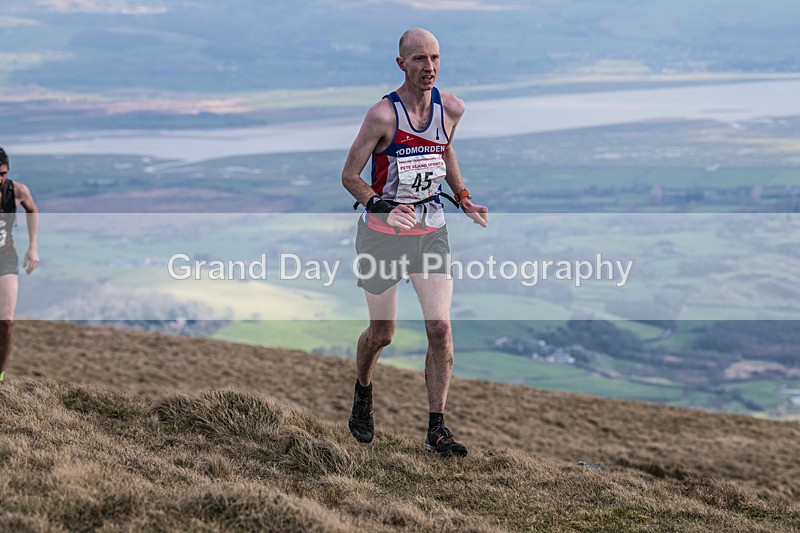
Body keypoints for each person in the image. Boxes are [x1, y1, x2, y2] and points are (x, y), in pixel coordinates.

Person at [341, 28, 489, 456]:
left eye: (435, 58)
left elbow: (444, 151)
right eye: (420, 59)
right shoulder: (382, 116)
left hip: (431, 231)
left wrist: (462, 197)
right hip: (382, 236)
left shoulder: (453, 108)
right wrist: (383, 205)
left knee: (440, 328)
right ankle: (364, 393)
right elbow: (350, 177)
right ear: (401, 64)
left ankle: (436, 429)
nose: (429, 67)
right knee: (382, 333)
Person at [0, 146, 40, 383]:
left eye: (3, 173)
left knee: (6, 323)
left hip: (6, 260)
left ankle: (0, 376)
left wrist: (33, 247)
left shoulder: (17, 191)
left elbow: (32, 210)